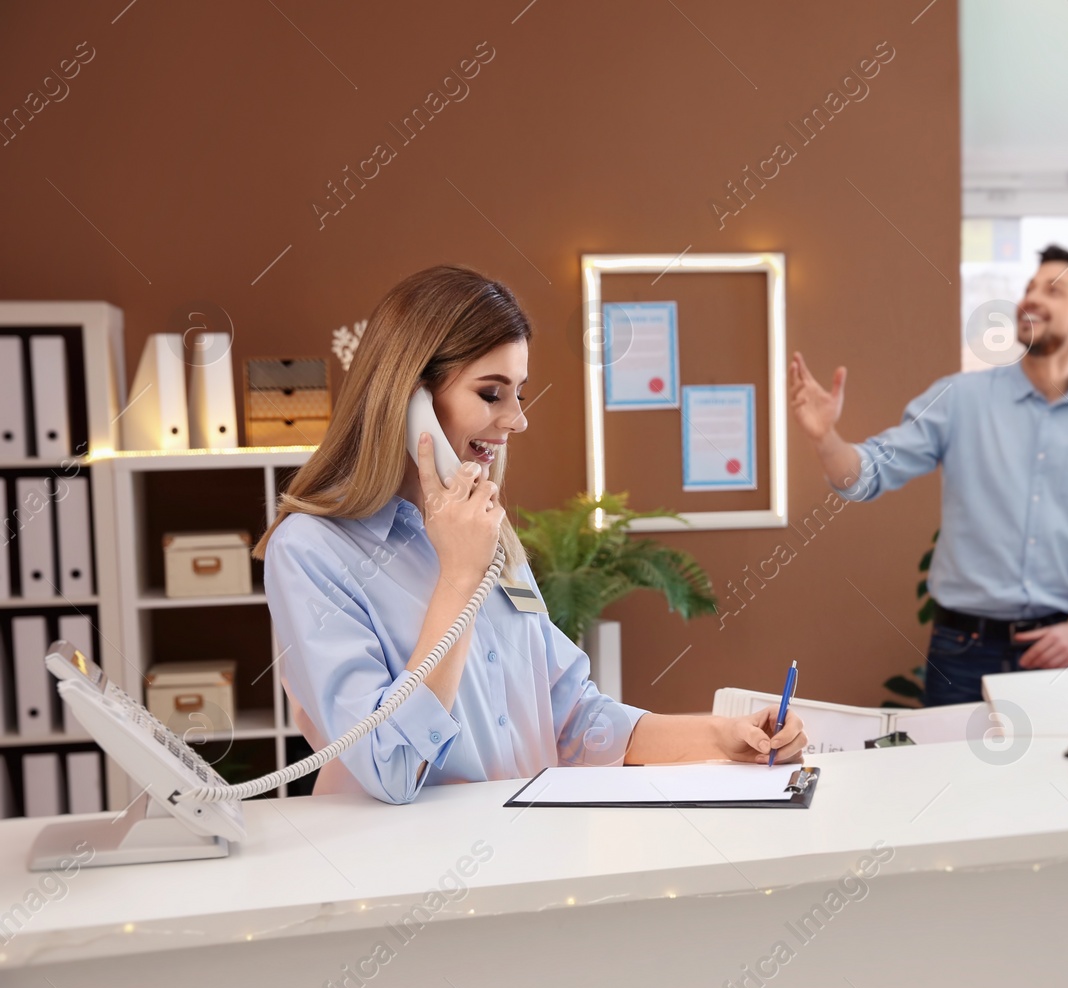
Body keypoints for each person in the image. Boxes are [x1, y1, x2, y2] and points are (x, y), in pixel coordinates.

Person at [257, 265, 804, 804]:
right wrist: (459, 577)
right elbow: (391, 767)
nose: (517, 419)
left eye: (519, 392)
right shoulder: (310, 550)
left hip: (523, 860)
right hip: (403, 875)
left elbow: (574, 719)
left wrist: (720, 737)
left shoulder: (486, 532)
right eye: (492, 394)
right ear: (411, 401)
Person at [789, 245, 1068, 705]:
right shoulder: (960, 399)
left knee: (1061, 779)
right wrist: (826, 440)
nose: (1032, 298)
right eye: (1029, 287)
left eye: (1053, 290)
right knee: (954, 777)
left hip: (1061, 648)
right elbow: (871, 472)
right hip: (962, 651)